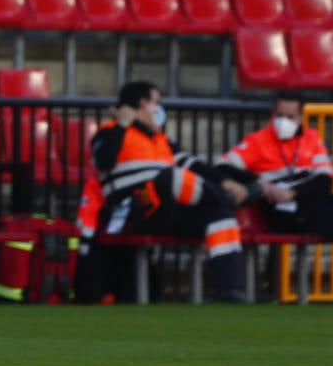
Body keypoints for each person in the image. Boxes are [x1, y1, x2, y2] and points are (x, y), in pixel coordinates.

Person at [214, 95, 333, 303]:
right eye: (280, 115)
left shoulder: (311, 139)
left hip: (309, 204)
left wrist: (293, 193)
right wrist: (260, 183)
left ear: (301, 117)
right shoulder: (257, 141)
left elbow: (324, 181)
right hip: (282, 213)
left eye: (290, 116)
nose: (284, 121)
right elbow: (223, 166)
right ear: (271, 116)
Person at [90, 80, 250, 303]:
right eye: (157, 103)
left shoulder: (162, 140)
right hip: (133, 209)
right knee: (169, 177)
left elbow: (193, 165)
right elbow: (103, 162)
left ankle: (229, 289)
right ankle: (223, 199)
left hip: (166, 210)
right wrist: (121, 124)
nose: (159, 109)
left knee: (220, 217)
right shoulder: (108, 133)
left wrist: (225, 182)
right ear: (143, 104)